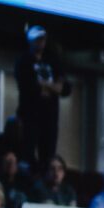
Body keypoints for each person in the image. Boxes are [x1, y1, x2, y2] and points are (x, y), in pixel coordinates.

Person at [14, 26, 70, 173]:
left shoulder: (52, 60)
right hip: (30, 116)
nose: (41, 43)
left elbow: (64, 88)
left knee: (48, 154)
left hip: (50, 117)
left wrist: (46, 86)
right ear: (31, 41)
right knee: (28, 153)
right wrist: (52, 87)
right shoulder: (24, 61)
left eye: (43, 39)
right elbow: (28, 86)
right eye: (38, 40)